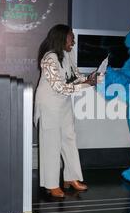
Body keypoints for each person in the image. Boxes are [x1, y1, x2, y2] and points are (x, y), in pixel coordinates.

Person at [34, 24, 97, 198]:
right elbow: (59, 87)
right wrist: (87, 85)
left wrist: (91, 77)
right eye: (71, 37)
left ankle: (71, 178)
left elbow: (74, 76)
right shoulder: (48, 59)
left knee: (69, 138)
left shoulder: (68, 54)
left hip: (63, 104)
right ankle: (51, 184)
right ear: (61, 38)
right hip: (49, 104)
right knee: (51, 143)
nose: (74, 41)